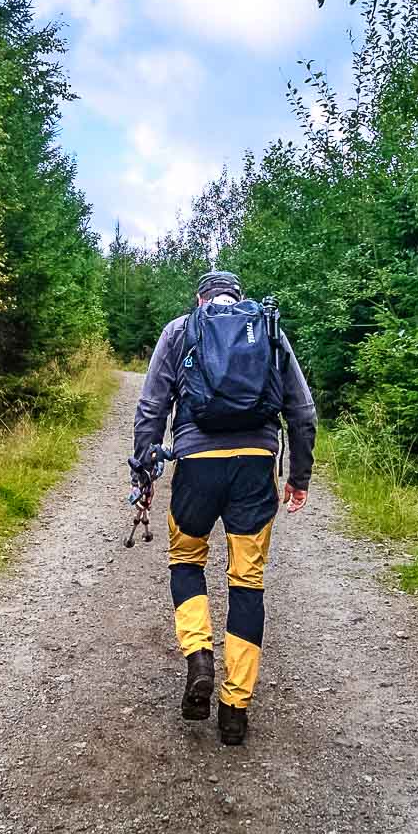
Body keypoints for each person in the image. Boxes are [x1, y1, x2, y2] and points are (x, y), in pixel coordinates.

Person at [132, 270, 316, 746]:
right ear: (239, 297)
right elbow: (301, 410)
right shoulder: (268, 328)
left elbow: (152, 406)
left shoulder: (180, 329)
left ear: (200, 298)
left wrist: (144, 470)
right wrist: (298, 477)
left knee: (186, 560)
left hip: (196, 466)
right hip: (254, 466)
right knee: (247, 581)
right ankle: (235, 709)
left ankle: (199, 657)